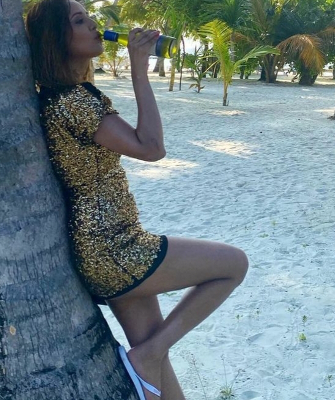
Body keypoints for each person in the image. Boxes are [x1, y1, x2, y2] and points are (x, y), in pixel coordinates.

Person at [24, 1, 249, 399]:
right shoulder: (74, 101)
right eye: (79, 20)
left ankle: (150, 356)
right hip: (115, 247)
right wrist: (140, 72)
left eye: (89, 17)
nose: (93, 25)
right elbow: (151, 147)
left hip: (101, 247)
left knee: (159, 372)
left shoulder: (61, 98)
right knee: (233, 265)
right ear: (57, 38)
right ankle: (149, 353)